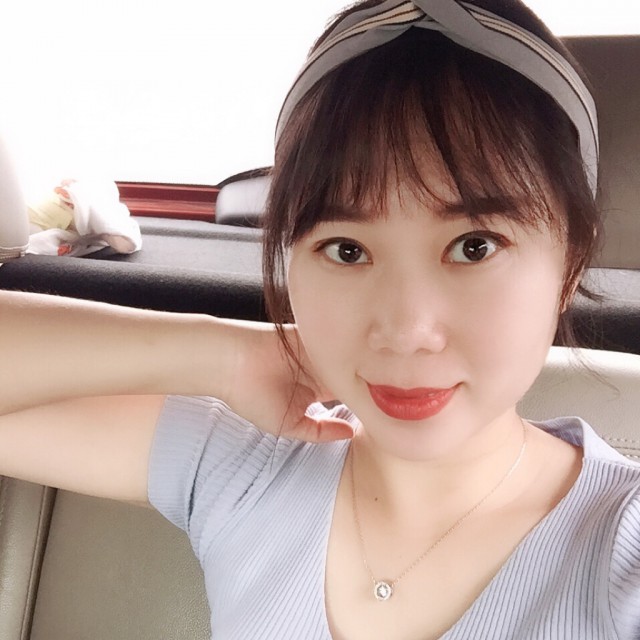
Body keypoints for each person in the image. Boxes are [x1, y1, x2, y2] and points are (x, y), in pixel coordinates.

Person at [1, 0, 639, 638]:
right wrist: (228, 356)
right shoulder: (247, 462)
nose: (404, 332)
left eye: (474, 247)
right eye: (346, 250)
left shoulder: (624, 543)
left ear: (570, 262)